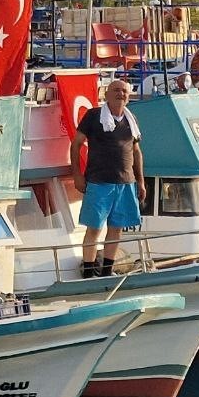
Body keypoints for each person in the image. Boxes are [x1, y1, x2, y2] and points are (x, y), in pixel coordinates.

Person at [70, 79, 145, 278]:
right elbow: (76, 144)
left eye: (124, 91)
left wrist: (141, 181)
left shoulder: (131, 119)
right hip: (99, 182)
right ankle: (88, 273)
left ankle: (106, 272)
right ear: (107, 95)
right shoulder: (94, 116)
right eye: (116, 90)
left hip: (126, 183)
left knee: (116, 229)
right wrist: (77, 174)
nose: (121, 94)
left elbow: (136, 152)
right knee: (94, 228)